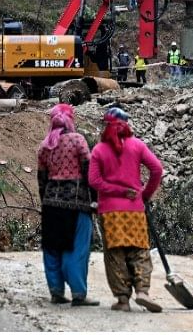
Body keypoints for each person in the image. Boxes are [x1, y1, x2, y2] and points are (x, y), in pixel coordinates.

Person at [89, 107, 164, 313]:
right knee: (139, 251)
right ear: (127, 124)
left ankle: (123, 300)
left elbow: (94, 181)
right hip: (134, 210)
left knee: (115, 255)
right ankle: (142, 292)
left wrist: (117, 191)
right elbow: (157, 169)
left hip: (110, 212)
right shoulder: (137, 145)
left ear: (106, 126)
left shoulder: (99, 150)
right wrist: (144, 194)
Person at [37, 104, 99, 306]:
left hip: (50, 205)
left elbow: (42, 179)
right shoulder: (78, 140)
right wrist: (94, 198)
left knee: (52, 248)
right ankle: (78, 294)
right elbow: (90, 171)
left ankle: (56, 292)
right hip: (76, 204)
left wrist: (45, 202)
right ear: (71, 120)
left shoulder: (45, 145)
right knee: (76, 249)